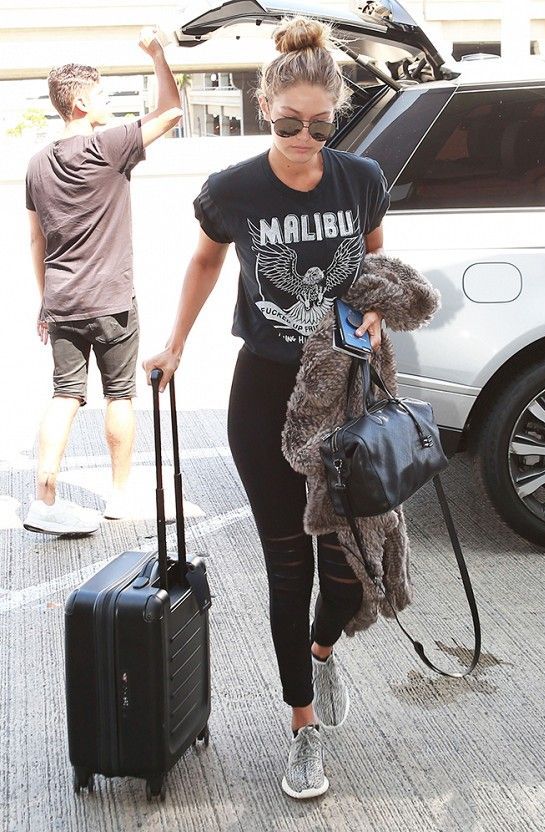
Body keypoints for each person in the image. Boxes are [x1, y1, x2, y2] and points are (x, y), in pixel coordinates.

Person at [143, 17, 390, 799]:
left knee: (347, 574)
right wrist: (175, 343)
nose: (304, 140)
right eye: (289, 125)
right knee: (289, 570)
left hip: (344, 393)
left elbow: (376, 261)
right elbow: (204, 261)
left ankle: (321, 652)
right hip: (264, 399)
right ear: (263, 110)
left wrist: (375, 308)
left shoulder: (361, 178)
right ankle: (301, 725)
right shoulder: (233, 190)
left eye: (321, 125)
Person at [23, 29, 182, 535]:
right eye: (102, 94)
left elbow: (36, 241)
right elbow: (172, 112)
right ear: (81, 102)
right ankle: (118, 496)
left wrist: (46, 302)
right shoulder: (108, 145)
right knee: (120, 395)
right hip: (112, 301)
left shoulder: (37, 164)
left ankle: (44, 499)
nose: (108, 102)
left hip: (62, 301)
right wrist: (158, 55)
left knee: (64, 395)